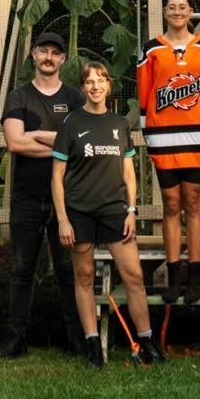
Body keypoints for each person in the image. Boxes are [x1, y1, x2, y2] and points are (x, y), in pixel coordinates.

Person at [51, 57, 162, 366]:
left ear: (109, 85)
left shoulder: (119, 124)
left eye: (100, 80)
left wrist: (131, 210)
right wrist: (63, 220)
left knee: (134, 276)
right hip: (79, 212)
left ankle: (147, 342)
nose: (95, 86)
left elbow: (128, 173)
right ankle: (93, 347)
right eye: (89, 81)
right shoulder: (71, 123)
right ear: (83, 88)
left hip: (115, 211)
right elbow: (57, 177)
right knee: (85, 276)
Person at [0, 27, 84, 357]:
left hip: (67, 200)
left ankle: (76, 337)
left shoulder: (74, 99)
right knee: (22, 270)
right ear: (33, 54)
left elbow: (81, 144)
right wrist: (62, 144)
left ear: (62, 59)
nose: (48, 57)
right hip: (27, 198)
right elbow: (15, 143)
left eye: (54, 53)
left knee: (67, 270)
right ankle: (15, 339)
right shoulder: (19, 97)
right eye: (43, 51)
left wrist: (36, 135)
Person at [137, 0, 200, 304]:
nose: (177, 12)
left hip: (195, 135)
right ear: (165, 12)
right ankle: (173, 280)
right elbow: (145, 92)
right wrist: (146, 130)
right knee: (171, 204)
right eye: (171, 7)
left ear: (191, 12)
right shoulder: (151, 49)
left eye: (182, 7)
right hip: (163, 136)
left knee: (193, 203)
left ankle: (194, 279)